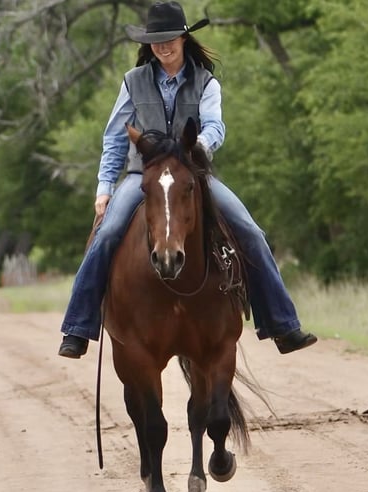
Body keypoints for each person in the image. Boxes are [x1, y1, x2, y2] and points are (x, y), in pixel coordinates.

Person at [58, 1, 317, 358]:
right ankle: (78, 328)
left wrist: (196, 148)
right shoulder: (133, 82)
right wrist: (104, 189)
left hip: (192, 175)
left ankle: (281, 324)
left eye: (169, 39)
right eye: (156, 40)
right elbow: (116, 137)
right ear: (148, 44)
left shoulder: (206, 81)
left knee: (251, 232)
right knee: (106, 235)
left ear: (183, 38)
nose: (163, 46)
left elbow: (215, 126)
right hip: (143, 175)